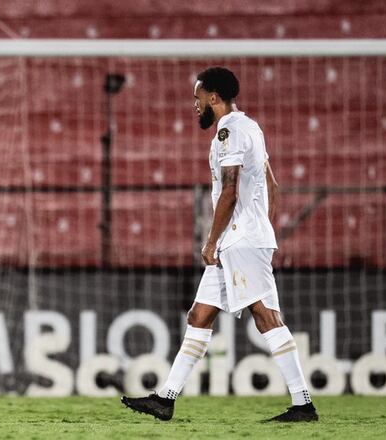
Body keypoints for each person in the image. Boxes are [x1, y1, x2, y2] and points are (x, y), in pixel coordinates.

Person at [121, 67, 318, 422]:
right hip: (243, 237)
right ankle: (165, 399)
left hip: (238, 239)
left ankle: (303, 403)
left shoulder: (228, 131)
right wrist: (262, 226)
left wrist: (213, 240)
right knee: (199, 315)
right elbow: (271, 183)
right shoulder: (250, 127)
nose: (195, 106)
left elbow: (229, 190)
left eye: (198, 99)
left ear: (214, 98)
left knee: (265, 316)